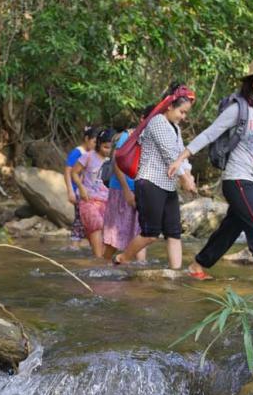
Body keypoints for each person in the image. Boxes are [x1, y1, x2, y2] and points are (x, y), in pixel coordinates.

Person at [168, 55, 253, 286]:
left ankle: (198, 265)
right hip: (237, 180)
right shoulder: (239, 110)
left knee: (232, 227)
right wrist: (181, 158)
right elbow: (209, 134)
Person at [113, 84, 197, 269]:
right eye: (181, 112)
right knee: (151, 233)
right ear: (170, 106)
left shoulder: (175, 128)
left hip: (168, 185)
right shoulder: (157, 122)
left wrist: (188, 175)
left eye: (185, 113)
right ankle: (123, 258)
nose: (183, 117)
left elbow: (180, 154)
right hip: (150, 182)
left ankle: (176, 273)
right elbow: (169, 155)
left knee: (174, 232)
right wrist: (184, 179)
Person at [102, 117, 147, 262]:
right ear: (142, 119)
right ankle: (103, 265)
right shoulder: (127, 137)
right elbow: (117, 163)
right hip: (121, 190)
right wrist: (127, 190)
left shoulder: (151, 138)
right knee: (116, 233)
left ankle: (141, 267)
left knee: (141, 231)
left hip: (141, 188)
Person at [72, 128, 115, 258]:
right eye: (105, 147)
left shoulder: (114, 160)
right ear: (98, 144)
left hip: (107, 202)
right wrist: (80, 187)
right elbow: (74, 172)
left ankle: (100, 261)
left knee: (106, 234)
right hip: (88, 200)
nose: (107, 150)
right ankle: (98, 260)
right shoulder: (88, 156)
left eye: (110, 148)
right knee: (97, 224)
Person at [64, 125, 96, 249]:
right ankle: (75, 246)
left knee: (86, 219)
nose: (95, 145)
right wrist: (70, 191)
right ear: (86, 139)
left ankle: (85, 245)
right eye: (94, 142)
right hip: (77, 191)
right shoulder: (77, 152)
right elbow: (67, 171)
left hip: (86, 191)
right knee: (79, 219)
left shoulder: (90, 153)